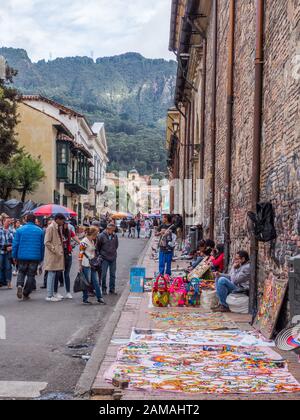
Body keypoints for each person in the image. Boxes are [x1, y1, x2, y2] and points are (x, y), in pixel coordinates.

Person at [12, 213, 44, 301]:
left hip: (22, 255)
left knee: (21, 272)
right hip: (35, 256)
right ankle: (26, 293)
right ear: (35, 220)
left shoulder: (19, 230)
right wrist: (41, 257)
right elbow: (42, 246)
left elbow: (15, 244)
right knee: (31, 275)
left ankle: (19, 285)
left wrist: (14, 256)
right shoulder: (40, 231)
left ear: (26, 220)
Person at [53, 221, 80, 300]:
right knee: (58, 273)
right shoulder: (57, 232)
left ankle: (68, 292)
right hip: (60, 254)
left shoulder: (69, 231)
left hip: (67, 254)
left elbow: (75, 238)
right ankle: (55, 292)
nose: (67, 225)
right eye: (65, 223)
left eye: (67, 223)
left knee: (67, 274)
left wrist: (81, 243)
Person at [79, 226, 106, 305]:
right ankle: (85, 299)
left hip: (92, 264)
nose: (97, 235)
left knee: (95, 281)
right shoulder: (84, 242)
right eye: (96, 234)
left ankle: (99, 298)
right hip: (85, 264)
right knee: (86, 282)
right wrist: (80, 266)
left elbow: (93, 252)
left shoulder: (93, 241)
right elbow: (80, 254)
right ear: (93, 234)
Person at [44, 214, 66, 302]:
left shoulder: (57, 227)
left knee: (53, 274)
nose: (63, 222)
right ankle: (49, 295)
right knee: (51, 274)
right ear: (57, 219)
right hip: (52, 254)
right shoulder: (51, 227)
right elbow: (47, 241)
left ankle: (52, 294)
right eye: (62, 220)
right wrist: (54, 249)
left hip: (55, 254)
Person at [97, 223, 119, 295]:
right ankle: (103, 289)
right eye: (111, 230)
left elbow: (116, 245)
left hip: (113, 257)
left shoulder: (114, 236)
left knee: (113, 274)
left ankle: (112, 289)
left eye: (113, 230)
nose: (113, 232)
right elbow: (98, 247)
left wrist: (112, 252)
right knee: (103, 274)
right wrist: (100, 255)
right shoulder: (101, 236)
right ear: (107, 229)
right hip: (104, 258)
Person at [0, 215, 15, 289]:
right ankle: (1, 282)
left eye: (10, 221)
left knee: (8, 267)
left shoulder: (12, 230)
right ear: (3, 222)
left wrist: (11, 247)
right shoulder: (0, 230)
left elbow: (15, 241)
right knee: (1, 267)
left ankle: (9, 282)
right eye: (7, 221)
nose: (9, 223)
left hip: (8, 252)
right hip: (1, 252)